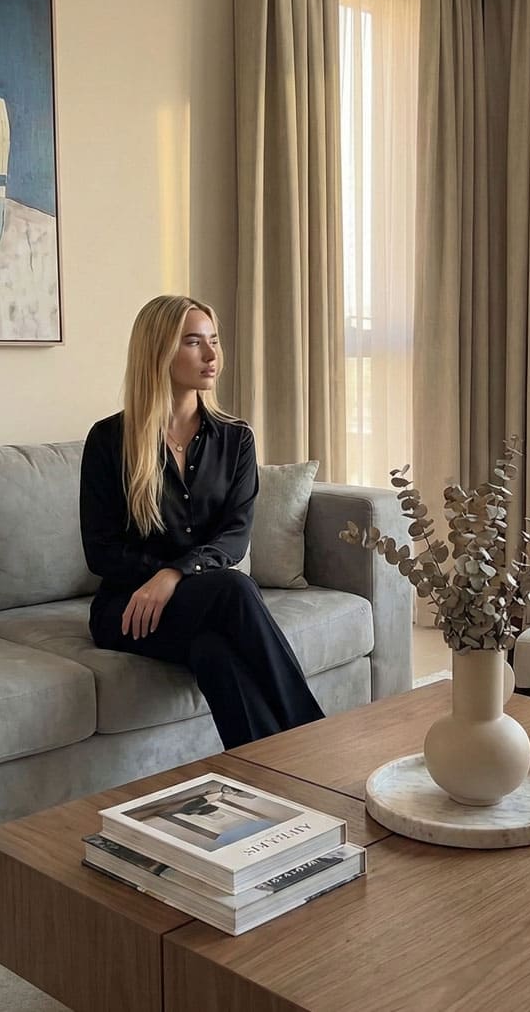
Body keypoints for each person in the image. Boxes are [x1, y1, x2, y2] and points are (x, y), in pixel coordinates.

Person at [79, 295, 324, 749]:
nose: (212, 356)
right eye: (194, 343)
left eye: (214, 341)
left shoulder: (236, 439)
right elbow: (101, 550)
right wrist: (156, 579)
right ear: (159, 351)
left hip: (195, 595)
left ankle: (270, 774)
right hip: (128, 609)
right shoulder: (109, 440)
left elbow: (234, 537)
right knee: (234, 588)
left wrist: (174, 574)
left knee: (213, 652)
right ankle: (313, 741)